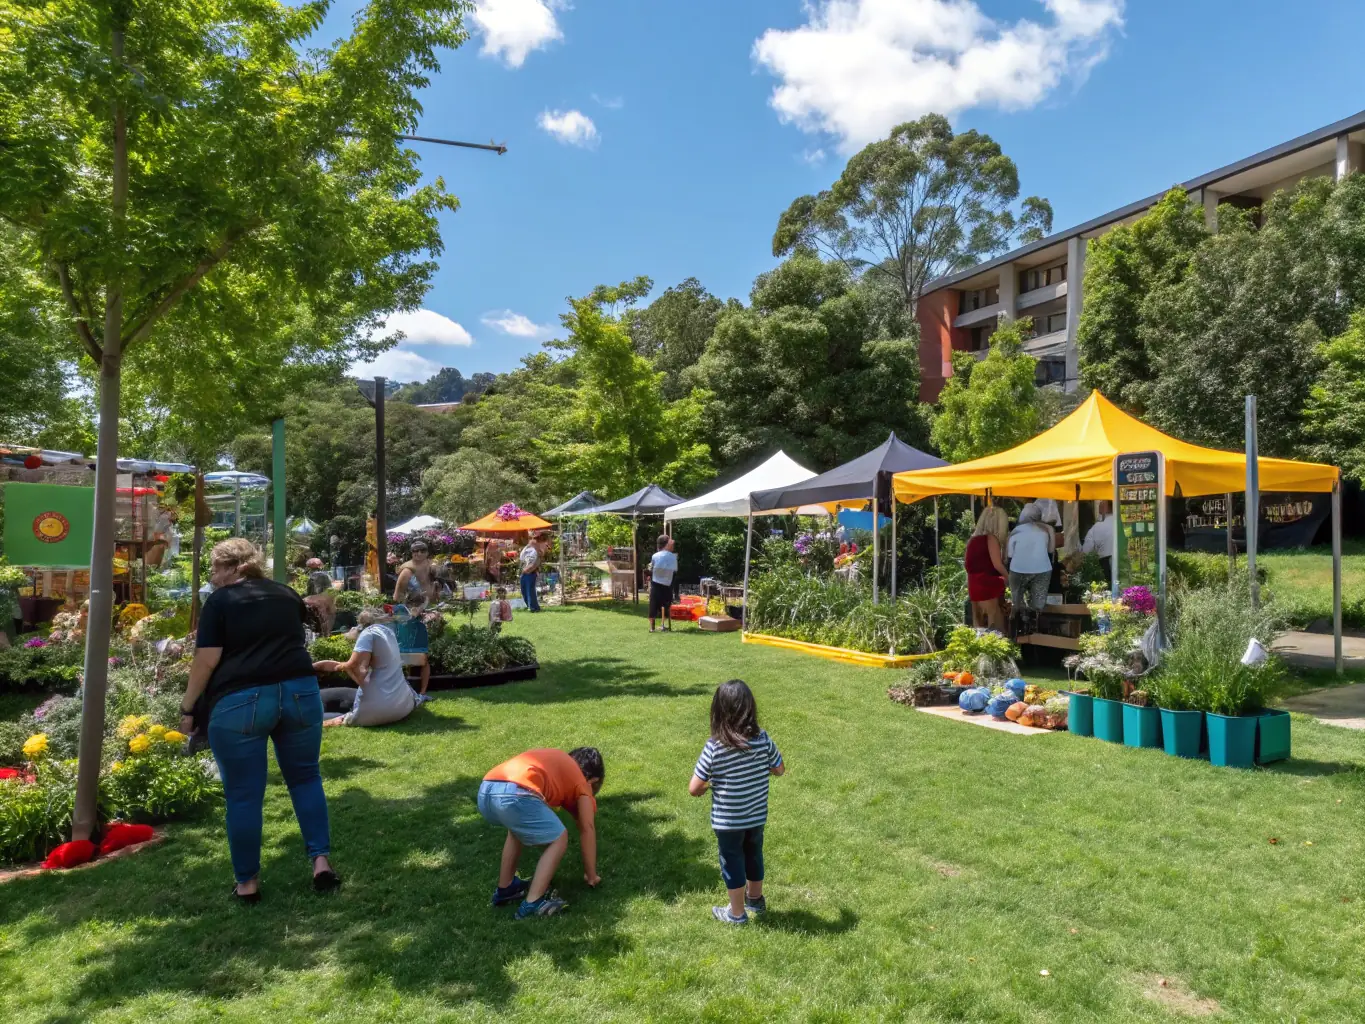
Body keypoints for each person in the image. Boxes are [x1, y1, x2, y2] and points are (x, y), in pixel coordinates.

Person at [178, 538, 339, 902]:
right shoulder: (284, 593)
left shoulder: (220, 601)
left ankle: (248, 883)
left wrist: (188, 707)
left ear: (234, 567)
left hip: (242, 699)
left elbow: (206, 660)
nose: (213, 577)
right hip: (299, 692)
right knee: (306, 777)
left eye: (217, 569)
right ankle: (321, 863)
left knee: (243, 794)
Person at [689, 680, 785, 925]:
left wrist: (712, 783)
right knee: (754, 854)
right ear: (750, 709)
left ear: (718, 712)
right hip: (755, 816)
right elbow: (779, 769)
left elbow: (695, 787)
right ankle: (755, 899)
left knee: (732, 861)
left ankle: (737, 913)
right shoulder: (762, 739)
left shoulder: (714, 747)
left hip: (728, 821)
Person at [477, 747, 604, 919]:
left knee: (517, 828)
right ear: (593, 780)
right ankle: (532, 903)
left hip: (486, 791)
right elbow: (587, 828)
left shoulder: (561, 767)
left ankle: (506, 888)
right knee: (558, 838)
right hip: (515, 795)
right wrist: (591, 875)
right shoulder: (582, 784)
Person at [313, 607, 419, 727]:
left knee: (319, 716)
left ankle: (331, 721)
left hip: (378, 710)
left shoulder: (368, 633)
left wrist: (345, 668)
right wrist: (339, 666)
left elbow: (356, 668)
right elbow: (352, 665)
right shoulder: (389, 633)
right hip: (402, 705)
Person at [1006, 503, 1055, 624]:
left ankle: (1018, 617)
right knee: (1038, 603)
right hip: (1042, 569)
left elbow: (1010, 554)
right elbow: (1051, 550)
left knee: (1017, 599)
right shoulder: (1045, 531)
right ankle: (1036, 623)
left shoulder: (1015, 531)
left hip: (1018, 569)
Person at [964, 507, 1010, 632]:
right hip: (988, 585)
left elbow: (967, 565)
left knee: (979, 628)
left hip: (974, 586)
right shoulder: (991, 539)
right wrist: (1009, 579)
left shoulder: (972, 541)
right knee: (996, 627)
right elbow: (997, 565)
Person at [393, 592, 432, 696]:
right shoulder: (414, 616)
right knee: (425, 663)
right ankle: (422, 692)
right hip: (412, 653)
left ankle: (403, 690)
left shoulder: (399, 610)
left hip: (398, 651)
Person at [648, 534, 679, 633]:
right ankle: (663, 624)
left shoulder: (655, 556)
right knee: (665, 605)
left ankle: (652, 627)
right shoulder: (673, 557)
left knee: (653, 605)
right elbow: (674, 571)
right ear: (666, 544)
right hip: (667, 584)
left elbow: (651, 568)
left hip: (656, 583)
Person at [393, 540, 437, 605]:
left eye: (423, 550)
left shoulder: (432, 566)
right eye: (415, 551)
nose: (419, 553)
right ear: (412, 553)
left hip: (434, 606)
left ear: (427, 552)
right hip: (414, 608)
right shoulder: (407, 571)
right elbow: (398, 596)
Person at [1082, 500, 1116, 582]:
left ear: (1105, 508)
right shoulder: (1121, 523)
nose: (1099, 508)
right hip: (1123, 559)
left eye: (1100, 506)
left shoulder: (1097, 527)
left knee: (1110, 584)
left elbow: (1086, 550)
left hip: (1106, 561)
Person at [518, 533, 548, 613]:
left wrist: (535, 546)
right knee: (523, 588)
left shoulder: (543, 545)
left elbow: (541, 554)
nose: (533, 539)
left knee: (530, 589)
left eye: (535, 537)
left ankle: (534, 607)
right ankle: (529, 605)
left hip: (532, 570)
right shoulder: (529, 545)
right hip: (525, 568)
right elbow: (523, 556)